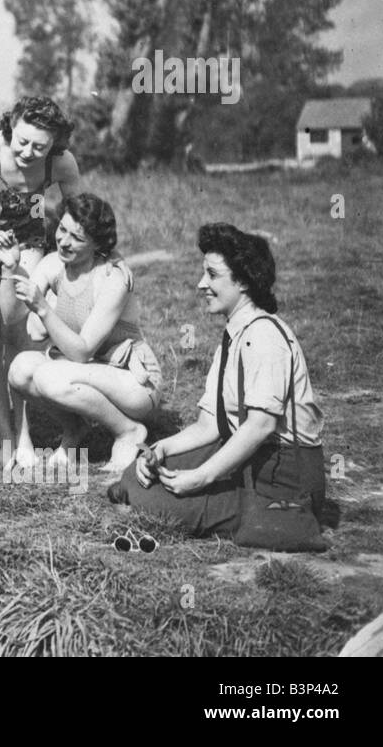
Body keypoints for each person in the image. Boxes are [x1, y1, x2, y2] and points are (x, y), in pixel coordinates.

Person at [112, 223, 326, 538]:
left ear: (243, 281)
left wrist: (200, 477)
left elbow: (260, 426)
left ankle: (254, 512)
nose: (201, 284)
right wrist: (158, 450)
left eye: (212, 275)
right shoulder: (234, 334)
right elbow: (208, 425)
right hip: (252, 457)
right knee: (133, 475)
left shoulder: (264, 335)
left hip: (283, 475)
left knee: (149, 501)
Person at [0, 95, 81, 470]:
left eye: (39, 147)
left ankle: (24, 431)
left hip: (27, 243)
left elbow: (80, 215)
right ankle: (6, 437)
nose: (27, 152)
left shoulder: (62, 163)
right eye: (21, 141)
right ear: (11, 128)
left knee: (19, 334)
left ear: (54, 146)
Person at [0, 193, 162, 473]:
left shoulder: (113, 277)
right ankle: (75, 428)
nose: (63, 241)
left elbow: (82, 352)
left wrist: (45, 309)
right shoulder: (53, 264)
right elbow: (12, 317)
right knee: (20, 368)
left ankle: (128, 431)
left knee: (49, 375)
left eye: (77, 237)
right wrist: (10, 269)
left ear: (98, 243)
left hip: (133, 381)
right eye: (62, 229)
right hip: (88, 372)